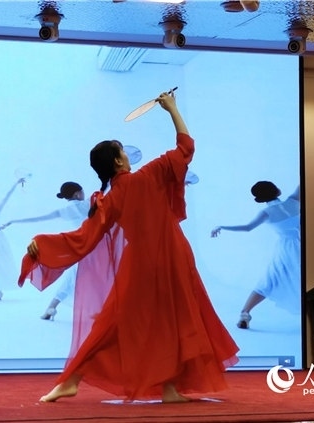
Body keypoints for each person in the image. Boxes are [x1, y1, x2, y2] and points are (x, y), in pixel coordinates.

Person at [18, 91, 239, 403]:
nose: (127, 155)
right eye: (123, 151)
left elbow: (84, 237)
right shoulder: (148, 176)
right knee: (174, 319)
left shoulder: (112, 198)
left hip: (142, 263)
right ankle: (83, 380)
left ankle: (166, 388)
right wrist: (172, 109)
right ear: (119, 161)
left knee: (125, 322)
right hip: (172, 258)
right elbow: (186, 147)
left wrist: (42, 244)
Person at [211, 182, 301, 329]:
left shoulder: (266, 213)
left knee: (270, 280)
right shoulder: (293, 200)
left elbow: (247, 228)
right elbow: (301, 184)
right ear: (277, 191)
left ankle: (245, 313)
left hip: (287, 250)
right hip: (303, 243)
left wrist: (221, 226)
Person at [0, 181, 88, 320]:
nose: (84, 194)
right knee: (94, 277)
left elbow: (38, 218)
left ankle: (51, 308)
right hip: (94, 246)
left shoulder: (64, 211)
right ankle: (99, 309)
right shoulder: (87, 204)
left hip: (79, 248)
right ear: (77, 194)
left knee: (71, 279)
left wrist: (14, 221)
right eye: (82, 191)